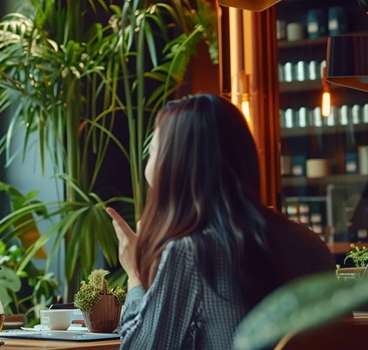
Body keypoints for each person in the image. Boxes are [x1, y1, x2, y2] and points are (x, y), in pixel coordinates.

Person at [106, 94, 335, 349]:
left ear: (174, 167)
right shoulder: (308, 241)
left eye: (152, 152)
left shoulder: (192, 253)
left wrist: (135, 275)